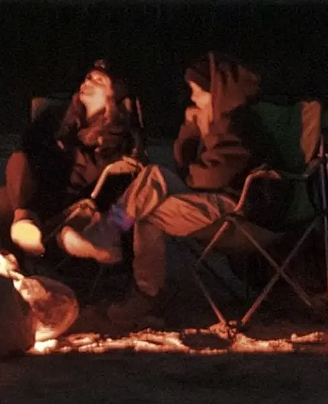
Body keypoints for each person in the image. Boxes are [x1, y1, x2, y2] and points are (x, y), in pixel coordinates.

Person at [59, 52, 282, 326]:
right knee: (148, 194)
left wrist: (193, 161)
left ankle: (127, 262)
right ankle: (139, 281)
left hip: (240, 208)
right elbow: (186, 168)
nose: (193, 99)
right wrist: (190, 129)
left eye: (197, 92)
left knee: (149, 193)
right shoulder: (216, 123)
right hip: (213, 201)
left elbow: (210, 176)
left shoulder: (239, 123)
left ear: (217, 93)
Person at [0, 60, 145, 257]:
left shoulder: (118, 133)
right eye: (88, 77)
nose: (88, 82)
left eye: (99, 81)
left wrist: (73, 151)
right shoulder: (57, 118)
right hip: (43, 189)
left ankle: (26, 236)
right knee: (16, 170)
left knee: (5, 199)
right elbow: (28, 146)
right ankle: (24, 221)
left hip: (81, 202)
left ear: (113, 94)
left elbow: (105, 178)